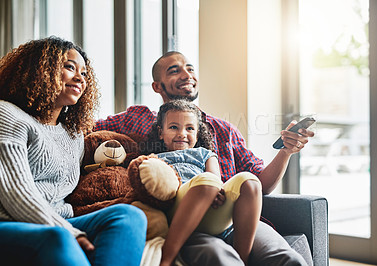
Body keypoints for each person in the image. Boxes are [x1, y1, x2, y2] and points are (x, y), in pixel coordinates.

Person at [95, 51, 314, 265]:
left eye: (190, 69)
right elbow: (87, 129)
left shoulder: (223, 129)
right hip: (184, 219)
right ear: (157, 86)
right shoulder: (138, 119)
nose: (187, 75)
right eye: (174, 70)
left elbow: (261, 184)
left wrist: (285, 151)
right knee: (220, 257)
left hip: (235, 220)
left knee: (288, 259)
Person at [0, 37, 147, 266]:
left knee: (129, 216)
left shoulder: (73, 133)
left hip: (61, 221)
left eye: (85, 73)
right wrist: (69, 231)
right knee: (58, 236)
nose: (80, 78)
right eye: (69, 67)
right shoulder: (7, 114)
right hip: (10, 221)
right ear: (40, 70)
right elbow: (14, 193)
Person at [142, 99, 262, 266]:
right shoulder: (154, 159)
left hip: (213, 208)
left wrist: (218, 192)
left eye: (189, 128)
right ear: (161, 133)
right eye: (173, 127)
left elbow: (215, 180)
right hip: (177, 207)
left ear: (197, 134)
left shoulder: (205, 154)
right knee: (206, 183)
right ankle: (166, 259)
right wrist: (209, 186)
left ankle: (243, 259)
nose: (182, 133)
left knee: (250, 182)